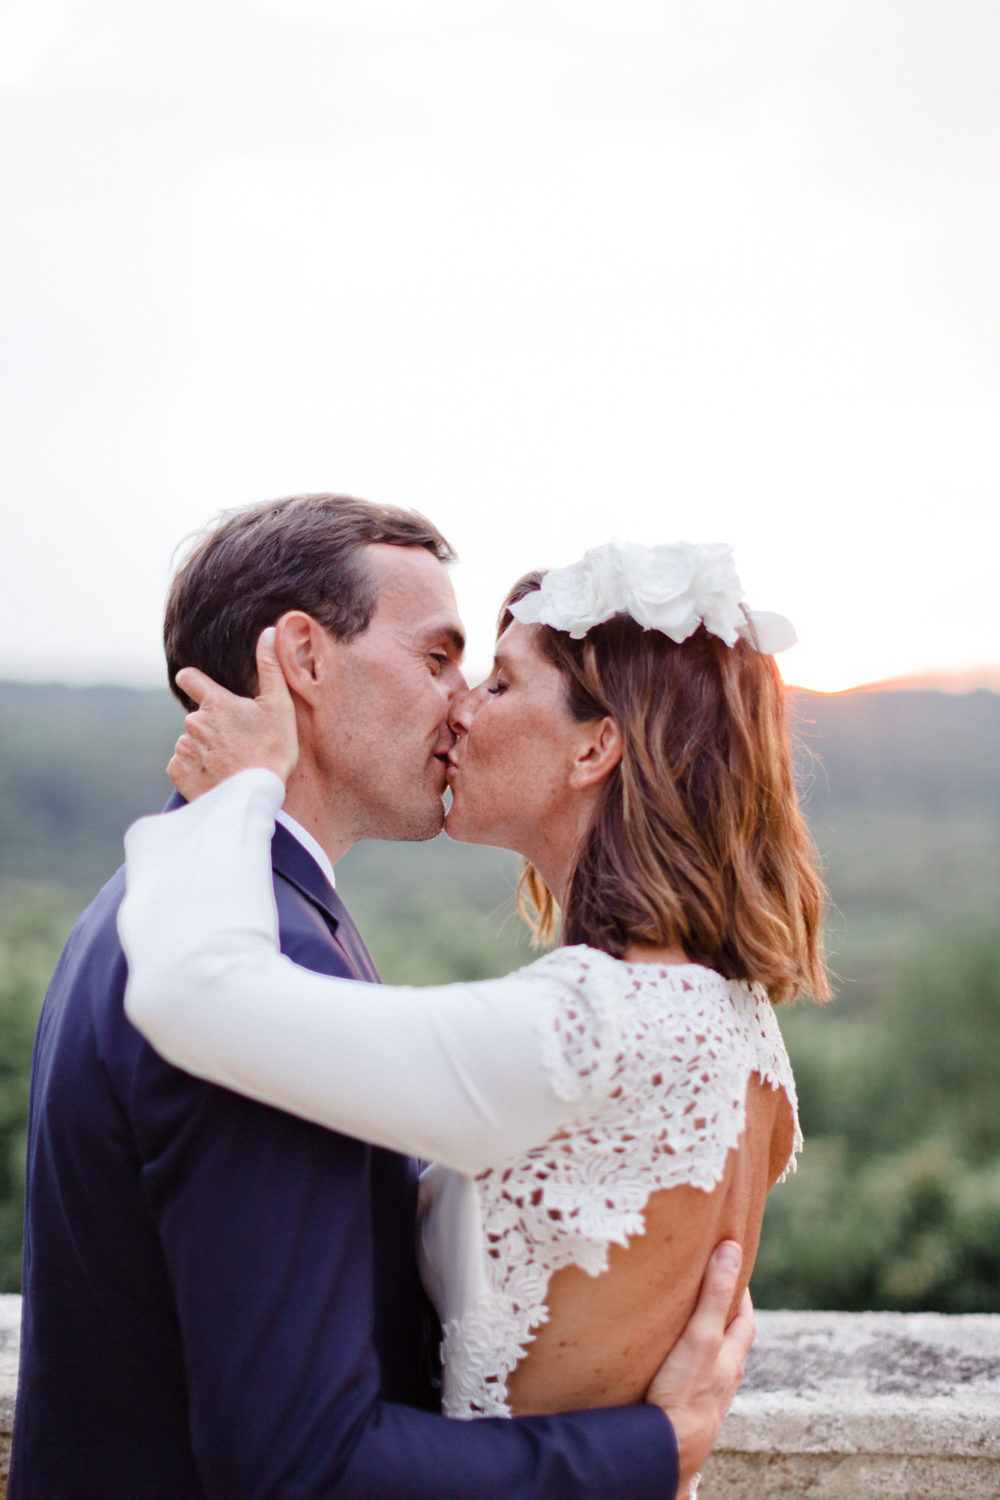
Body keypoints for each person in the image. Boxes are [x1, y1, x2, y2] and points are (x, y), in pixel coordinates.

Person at [11, 498, 752, 1500]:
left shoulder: (165, 901)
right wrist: (650, 1449)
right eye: (439, 658)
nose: (462, 704)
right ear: (304, 660)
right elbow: (301, 1462)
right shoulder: (267, 949)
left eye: (483, 676)